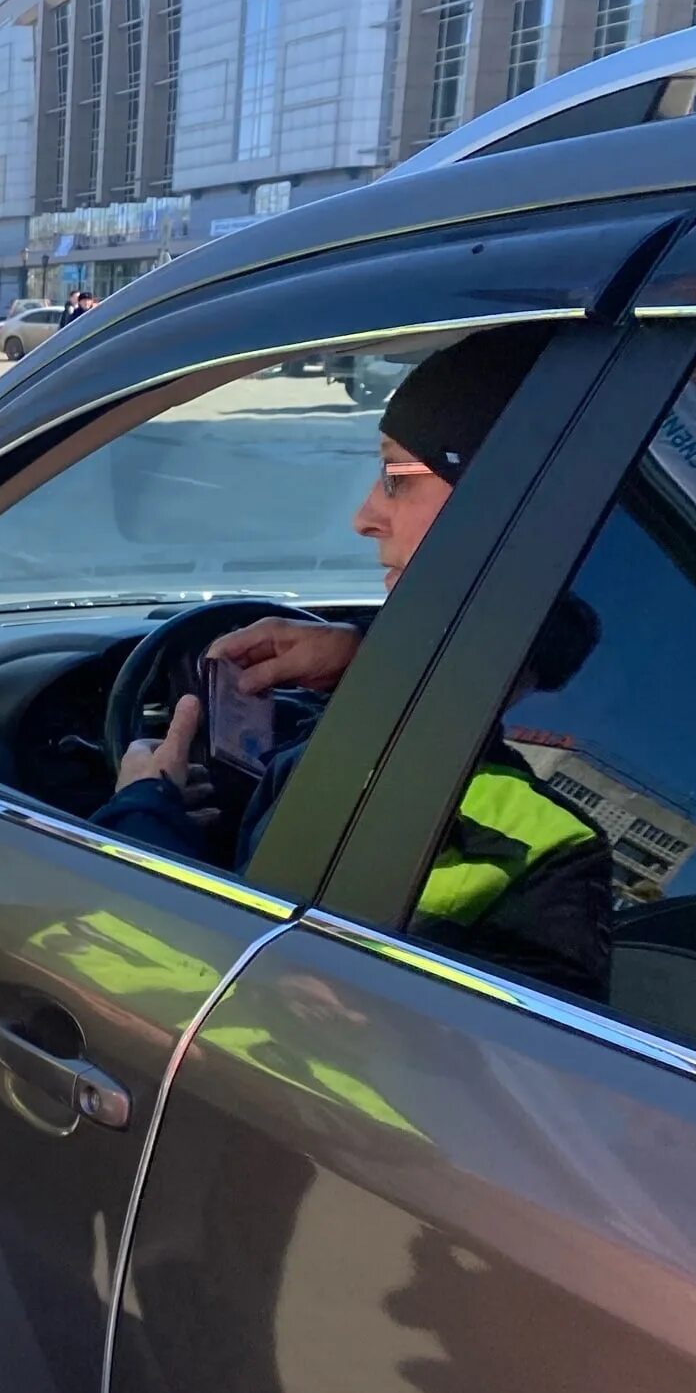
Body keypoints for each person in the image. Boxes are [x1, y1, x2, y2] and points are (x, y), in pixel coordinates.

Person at [96, 326, 614, 999]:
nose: (365, 516)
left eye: (398, 478)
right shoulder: (551, 687)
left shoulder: (520, 844)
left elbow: (210, 993)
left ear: (506, 501)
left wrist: (142, 817)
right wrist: (370, 654)